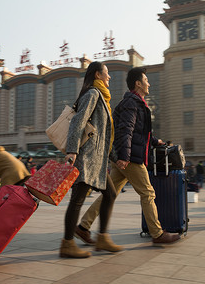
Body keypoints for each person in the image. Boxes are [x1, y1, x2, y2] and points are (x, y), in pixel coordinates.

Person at [75, 67, 180, 246]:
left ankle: (83, 227)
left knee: (110, 194)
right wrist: (124, 156)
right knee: (148, 193)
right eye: (146, 80)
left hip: (125, 156)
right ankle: (157, 233)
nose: (149, 83)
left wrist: (155, 141)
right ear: (138, 83)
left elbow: (138, 132)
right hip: (130, 158)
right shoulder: (132, 103)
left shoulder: (135, 102)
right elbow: (125, 130)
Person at [60, 61, 121, 258]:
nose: (109, 77)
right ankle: (67, 244)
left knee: (110, 194)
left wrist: (114, 157)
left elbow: (103, 134)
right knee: (77, 200)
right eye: (106, 73)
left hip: (98, 160)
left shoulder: (102, 97)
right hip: (86, 158)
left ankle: (102, 238)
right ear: (97, 75)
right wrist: (71, 150)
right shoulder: (93, 94)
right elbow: (78, 121)